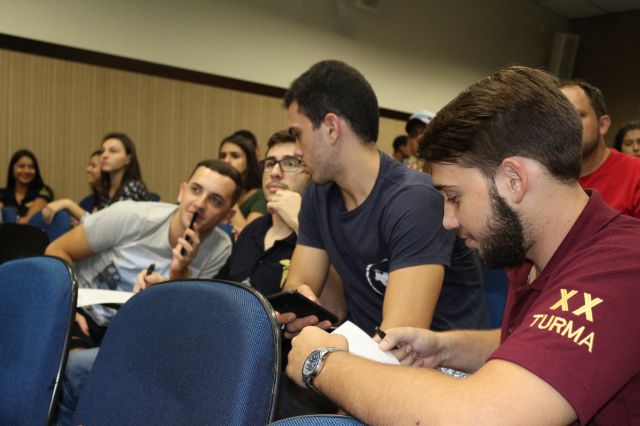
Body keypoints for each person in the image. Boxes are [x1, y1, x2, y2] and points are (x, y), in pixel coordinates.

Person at [286, 66, 640, 425]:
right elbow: (533, 344)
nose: (448, 220)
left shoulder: (622, 266)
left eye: (454, 197)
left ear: (514, 180)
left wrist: (323, 362)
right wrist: (446, 348)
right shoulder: (530, 253)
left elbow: (482, 418)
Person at [279, 60, 489, 342]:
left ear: (331, 128)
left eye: (298, 135)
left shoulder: (415, 201)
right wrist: (302, 308)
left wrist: (326, 354)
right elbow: (300, 286)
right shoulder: (319, 193)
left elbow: (397, 340)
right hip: (366, 352)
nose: (296, 150)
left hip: (434, 363)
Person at [46, 159, 241, 348]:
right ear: (182, 192)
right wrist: (68, 306)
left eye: (215, 200)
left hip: (138, 330)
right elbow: (57, 249)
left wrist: (178, 274)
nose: (200, 203)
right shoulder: (131, 216)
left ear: (227, 216)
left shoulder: (219, 248)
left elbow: (183, 316)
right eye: (196, 190)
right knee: (75, 362)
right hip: (83, 312)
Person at [559, 80, 640, 217]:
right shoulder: (546, 176)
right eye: (558, 119)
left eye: (578, 115)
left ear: (602, 125)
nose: (567, 125)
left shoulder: (635, 173)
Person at [218, 132, 267, 233]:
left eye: (235, 156)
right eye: (223, 156)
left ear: (248, 162)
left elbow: (247, 236)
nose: (226, 161)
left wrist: (229, 196)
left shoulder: (260, 197)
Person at [42, 150, 103, 224]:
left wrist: (68, 204)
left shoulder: (113, 204)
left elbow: (97, 227)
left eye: (93, 166)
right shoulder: (87, 202)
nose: (88, 169)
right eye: (88, 165)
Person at [0, 149, 54, 224]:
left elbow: (29, 221)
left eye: (31, 167)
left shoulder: (43, 192)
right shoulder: (2, 193)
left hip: (33, 231)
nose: (26, 170)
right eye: (21, 166)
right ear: (12, 169)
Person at [98, 132, 149, 208]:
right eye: (103, 151)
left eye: (113, 151)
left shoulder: (133, 188)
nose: (104, 155)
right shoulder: (105, 188)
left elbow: (117, 215)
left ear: (128, 159)